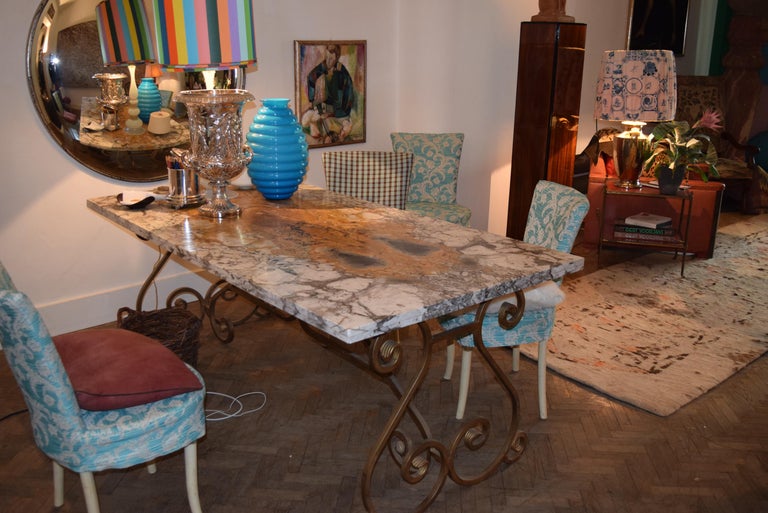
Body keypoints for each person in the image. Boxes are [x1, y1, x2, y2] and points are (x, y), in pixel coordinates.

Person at [301, 44, 355, 144]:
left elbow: (341, 102)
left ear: (336, 58)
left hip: (342, 109)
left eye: (331, 59)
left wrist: (328, 113)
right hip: (330, 104)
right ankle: (317, 134)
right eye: (327, 57)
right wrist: (311, 100)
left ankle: (339, 133)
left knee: (340, 123)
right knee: (308, 117)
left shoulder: (341, 73)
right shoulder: (325, 65)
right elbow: (311, 77)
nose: (328, 61)